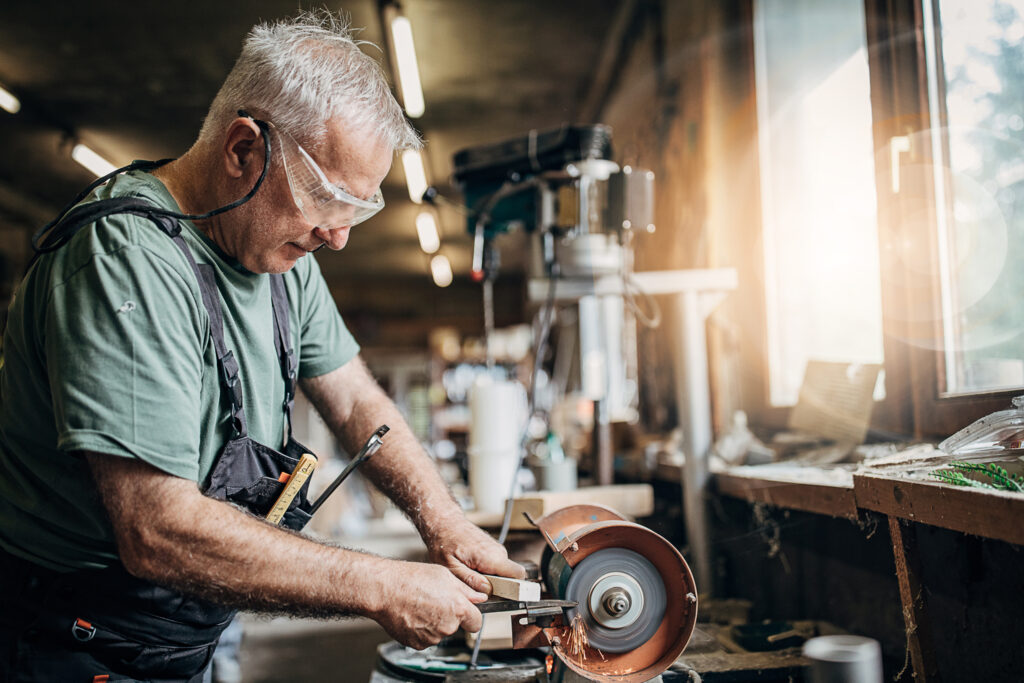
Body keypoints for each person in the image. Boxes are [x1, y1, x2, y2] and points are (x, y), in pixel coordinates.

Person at [0, 11, 524, 682]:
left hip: (189, 626)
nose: (339, 237)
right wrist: (383, 585)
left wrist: (445, 524)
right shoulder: (124, 261)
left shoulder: (282, 260)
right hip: (71, 640)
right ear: (243, 149)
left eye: (357, 209)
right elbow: (157, 530)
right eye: (327, 196)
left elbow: (359, 401)